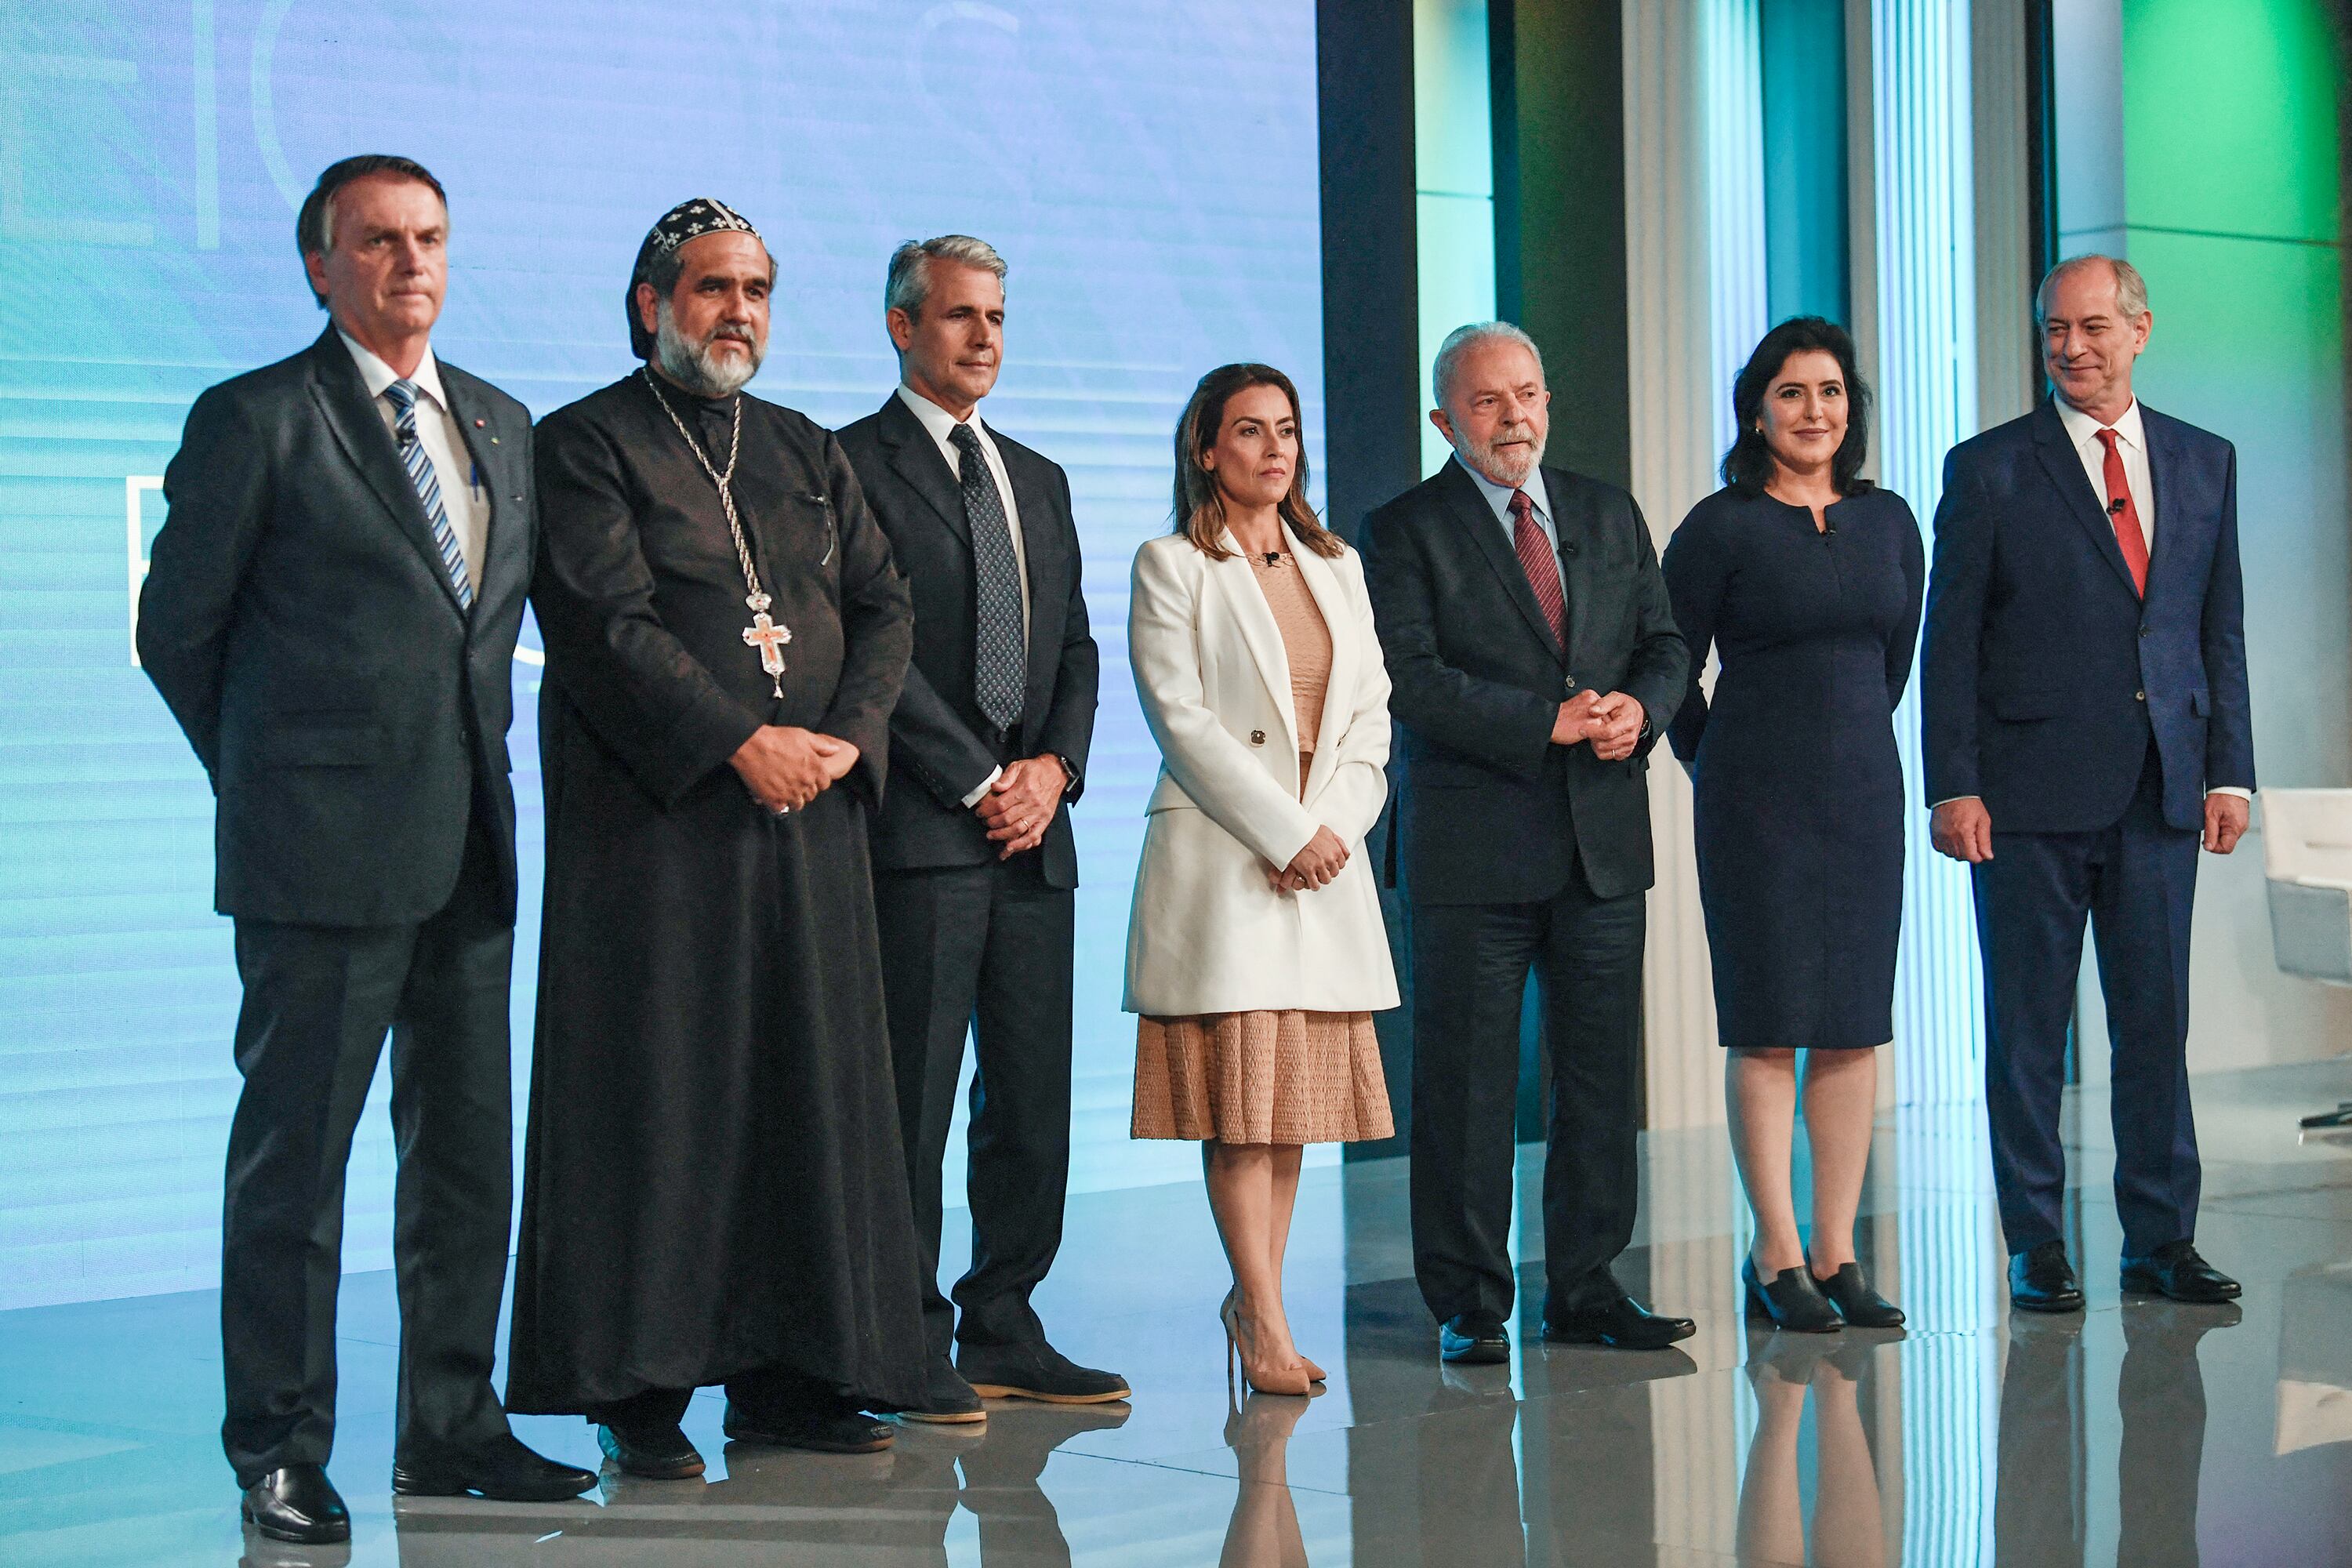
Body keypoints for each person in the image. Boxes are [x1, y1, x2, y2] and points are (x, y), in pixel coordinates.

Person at [136, 155, 593, 1544]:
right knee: (298, 1173)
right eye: (380, 240)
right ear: (319, 266)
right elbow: (178, 633)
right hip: (316, 861)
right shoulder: (258, 417)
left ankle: (451, 1427)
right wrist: (275, 785)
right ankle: (279, 1449)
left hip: (468, 850)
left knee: (463, 1165)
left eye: (429, 237)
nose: (411, 263)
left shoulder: (502, 422)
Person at [506, 198, 928, 1472]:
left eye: (756, 290)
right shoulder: (584, 443)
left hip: (809, 828)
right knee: (662, 1096)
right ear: (652, 305)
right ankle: (637, 1393)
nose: (738, 312)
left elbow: (884, 603)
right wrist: (741, 742)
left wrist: (844, 740)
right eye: (711, 288)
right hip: (660, 835)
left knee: (805, 1092)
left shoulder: (805, 446)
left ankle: (794, 1374)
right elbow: (604, 623)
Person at [1922, 254, 2251, 1312]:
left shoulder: (2204, 460)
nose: (2071, 348)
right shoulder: (1989, 468)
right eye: (2055, 329)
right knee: (2027, 1032)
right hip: (2024, 798)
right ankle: (2037, 1244)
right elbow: (1949, 642)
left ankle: (2161, 1239)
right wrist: (1953, 784)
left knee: (2156, 1025)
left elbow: (2218, 627)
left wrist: (2232, 772)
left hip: (2163, 789)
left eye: (2093, 328)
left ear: (2139, 331)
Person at [1359, 321, 1690, 1362]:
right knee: (1466, 1088)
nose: (1514, 419)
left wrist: (1641, 710)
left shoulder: (1606, 510)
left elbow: (1666, 644)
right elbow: (1409, 679)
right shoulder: (1403, 529)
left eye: (1529, 395)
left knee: (1599, 1080)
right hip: (1471, 852)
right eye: (1488, 401)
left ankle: (1587, 1287)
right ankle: (1468, 1301)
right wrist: (1543, 722)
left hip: (1601, 842)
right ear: (1444, 420)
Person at [835, 237, 1124, 1421]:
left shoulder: (1037, 477)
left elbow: (1076, 647)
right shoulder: (847, 464)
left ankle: (1004, 1321)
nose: (985, 337)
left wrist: (1055, 771)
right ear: (902, 326)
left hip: (1034, 838)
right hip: (922, 835)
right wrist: (977, 779)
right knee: (910, 1105)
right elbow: (871, 648)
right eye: (960, 316)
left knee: (1031, 1103)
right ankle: (903, 1340)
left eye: (997, 317)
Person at [1125, 364, 1397, 1394]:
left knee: (1289, 1112)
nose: (1274, 448)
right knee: (1242, 1111)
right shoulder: (1173, 564)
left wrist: (1332, 832)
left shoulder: (1338, 564)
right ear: (1207, 450)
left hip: (1322, 867)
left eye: (1285, 430)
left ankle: (1258, 1303)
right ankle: (1266, 1322)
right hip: (1229, 864)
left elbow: (1370, 718)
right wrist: (1286, 835)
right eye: (1249, 430)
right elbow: (1181, 720)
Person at [1661, 318, 1919, 1334]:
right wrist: (1713, 758)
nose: (1816, 411)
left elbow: (1893, 663)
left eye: (1831, 391)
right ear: (1757, 411)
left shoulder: (1889, 520)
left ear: (1851, 407)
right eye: (1793, 392)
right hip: (1753, 800)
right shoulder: (1720, 527)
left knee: (1852, 1025)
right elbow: (1669, 665)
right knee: (1768, 1022)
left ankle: (1837, 1252)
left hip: (1864, 795)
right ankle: (1775, 1252)